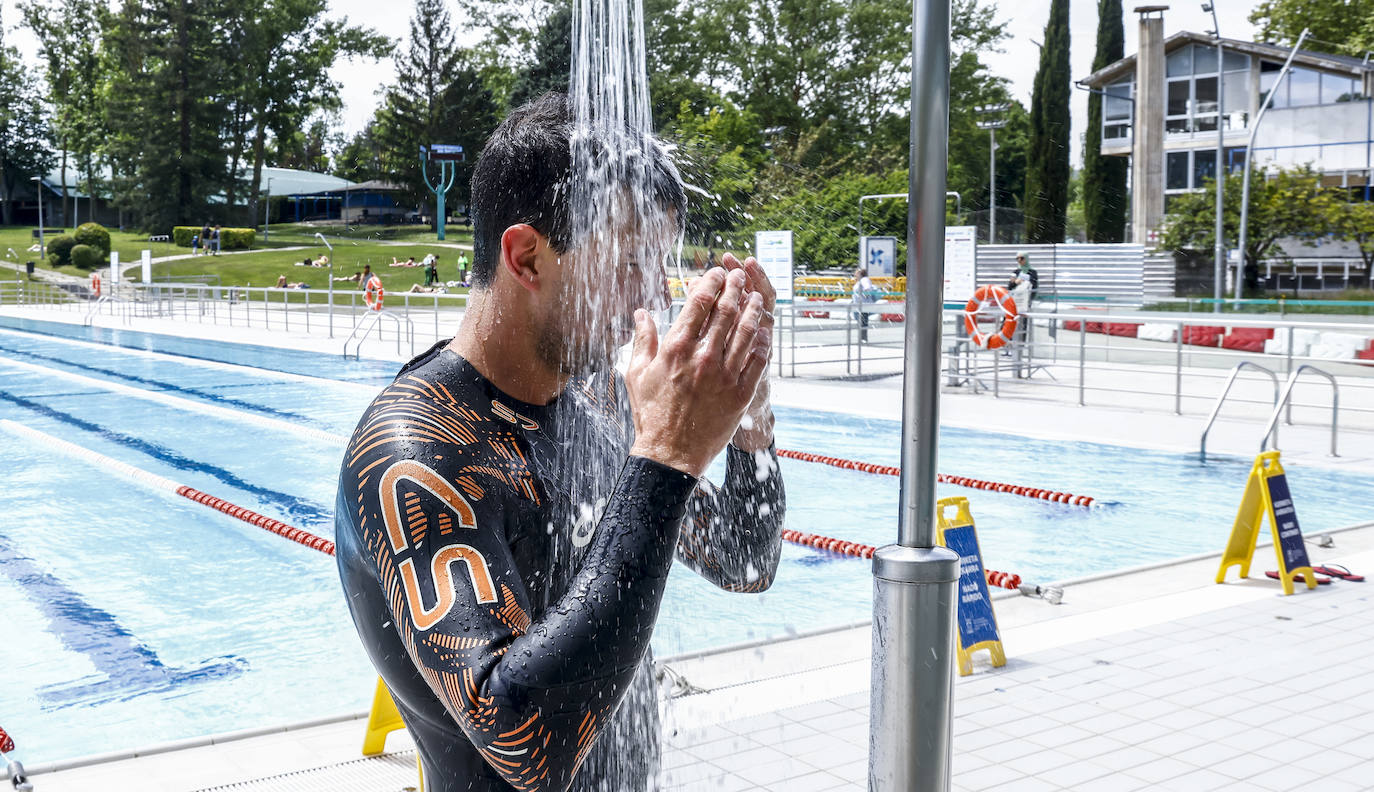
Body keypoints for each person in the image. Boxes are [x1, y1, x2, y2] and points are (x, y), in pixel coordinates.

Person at [335, 92, 783, 792]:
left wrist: (749, 421)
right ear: (527, 257)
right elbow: (528, 746)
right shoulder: (421, 447)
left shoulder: (594, 408)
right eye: (631, 264)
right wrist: (665, 456)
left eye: (659, 267)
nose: (653, 299)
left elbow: (745, 562)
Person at [852, 266, 875, 342]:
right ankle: (862, 338)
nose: (855, 274)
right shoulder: (860, 281)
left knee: (863, 321)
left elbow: (867, 289)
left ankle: (863, 339)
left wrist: (864, 296)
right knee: (862, 321)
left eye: (856, 273)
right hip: (860, 305)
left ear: (859, 273)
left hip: (863, 305)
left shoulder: (864, 280)